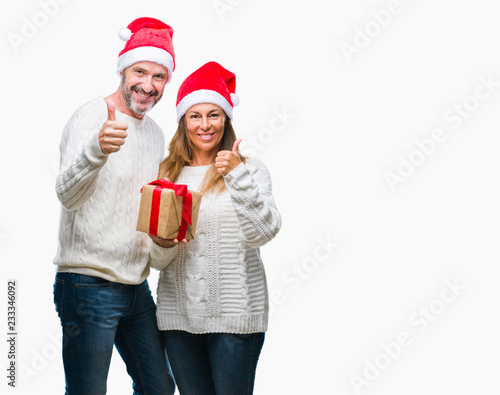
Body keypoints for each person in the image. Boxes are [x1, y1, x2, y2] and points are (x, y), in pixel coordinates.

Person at [52, 17, 177, 395]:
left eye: (159, 77)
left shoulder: (155, 133)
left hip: (136, 286)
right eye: (140, 71)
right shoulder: (91, 117)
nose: (148, 85)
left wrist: (164, 241)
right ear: (123, 68)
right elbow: (66, 195)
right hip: (87, 284)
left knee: (158, 387)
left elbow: (148, 210)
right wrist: (97, 149)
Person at [150, 61, 282, 395]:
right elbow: (157, 261)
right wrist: (162, 243)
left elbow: (263, 233)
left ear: (226, 119)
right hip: (178, 319)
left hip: (234, 320)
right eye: (195, 115)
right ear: (183, 121)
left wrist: (235, 176)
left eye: (214, 114)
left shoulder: (250, 170)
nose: (205, 125)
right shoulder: (166, 173)